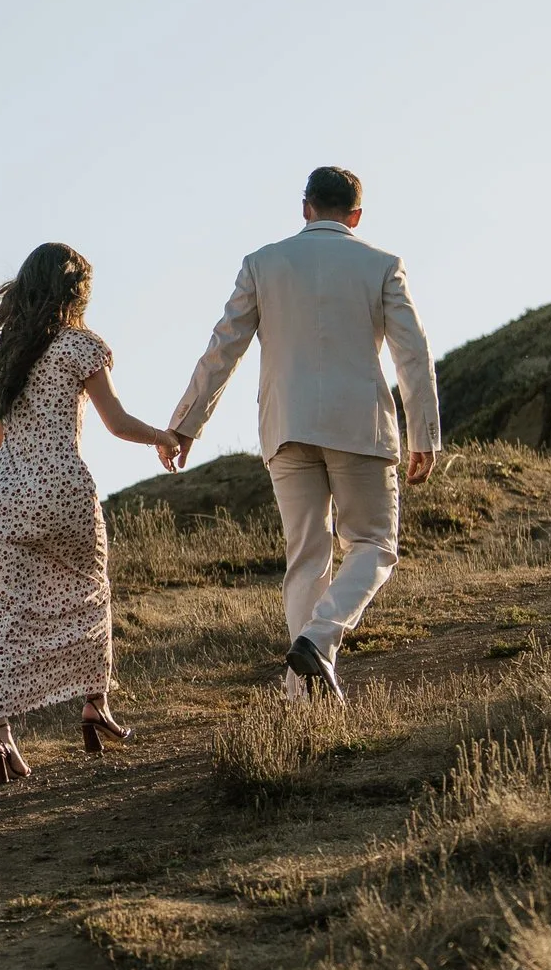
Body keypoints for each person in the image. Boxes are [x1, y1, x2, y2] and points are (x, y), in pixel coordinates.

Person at [168, 165, 439, 707]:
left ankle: (302, 697)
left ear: (305, 207)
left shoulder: (262, 264)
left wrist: (185, 424)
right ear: (356, 216)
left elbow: (224, 348)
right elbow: (412, 352)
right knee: (374, 546)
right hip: (360, 426)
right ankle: (318, 639)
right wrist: (425, 433)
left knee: (307, 558)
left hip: (286, 427)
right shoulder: (383, 265)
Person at [0, 242, 182, 786]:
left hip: (7, 496)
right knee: (88, 592)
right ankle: (94, 707)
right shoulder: (81, 347)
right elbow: (116, 421)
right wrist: (162, 437)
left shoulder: (5, 355)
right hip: (64, 490)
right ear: (75, 293)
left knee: (4, 614)